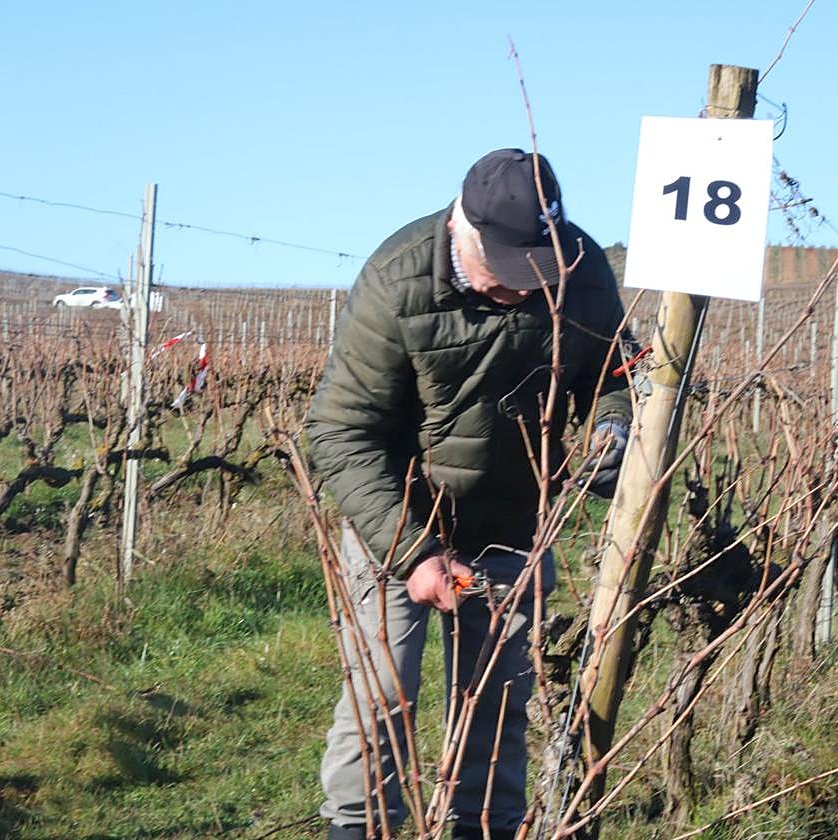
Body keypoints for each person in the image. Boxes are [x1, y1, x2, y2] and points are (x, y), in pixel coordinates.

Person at [304, 148, 633, 840]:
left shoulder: (581, 269)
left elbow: (617, 374)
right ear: (465, 231)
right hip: (396, 518)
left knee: (499, 698)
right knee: (384, 692)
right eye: (509, 272)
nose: (522, 289)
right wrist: (414, 553)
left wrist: (611, 428)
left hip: (514, 515)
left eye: (537, 271)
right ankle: (358, 828)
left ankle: (481, 827)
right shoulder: (398, 281)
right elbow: (339, 432)